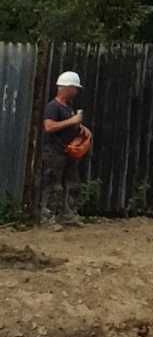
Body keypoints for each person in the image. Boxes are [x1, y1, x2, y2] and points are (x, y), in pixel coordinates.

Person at [39, 70, 89, 226]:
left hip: (68, 151)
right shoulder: (53, 106)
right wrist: (72, 121)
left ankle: (68, 215)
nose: (76, 91)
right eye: (74, 88)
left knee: (72, 183)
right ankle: (47, 218)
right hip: (54, 152)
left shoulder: (68, 107)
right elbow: (49, 126)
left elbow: (70, 125)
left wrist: (81, 128)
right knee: (54, 185)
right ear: (66, 88)